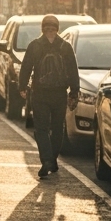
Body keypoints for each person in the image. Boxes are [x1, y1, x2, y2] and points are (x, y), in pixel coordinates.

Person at [18, 14, 78, 179]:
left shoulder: (35, 45)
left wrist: (22, 86)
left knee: (41, 129)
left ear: (42, 28)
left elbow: (26, 67)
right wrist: (74, 91)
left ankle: (46, 160)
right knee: (58, 128)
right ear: (57, 29)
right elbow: (73, 70)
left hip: (40, 93)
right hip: (59, 94)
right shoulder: (65, 46)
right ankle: (52, 159)